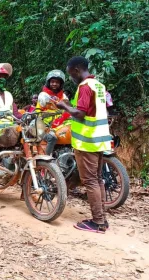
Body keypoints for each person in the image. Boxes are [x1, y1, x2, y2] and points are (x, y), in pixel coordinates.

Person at [56, 56, 111, 234]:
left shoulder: (85, 87)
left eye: (71, 73)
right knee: (97, 179)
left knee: (90, 181)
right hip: (100, 139)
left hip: (87, 141)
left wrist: (64, 105)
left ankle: (97, 222)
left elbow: (80, 113)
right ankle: (102, 219)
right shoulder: (99, 86)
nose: (71, 77)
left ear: (77, 70)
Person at [36, 70, 69, 155]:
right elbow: (38, 112)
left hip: (61, 123)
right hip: (46, 125)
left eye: (57, 82)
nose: (54, 84)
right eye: (52, 81)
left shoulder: (63, 96)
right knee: (52, 138)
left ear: (61, 84)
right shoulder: (43, 95)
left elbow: (67, 110)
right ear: (48, 82)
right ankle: (46, 163)